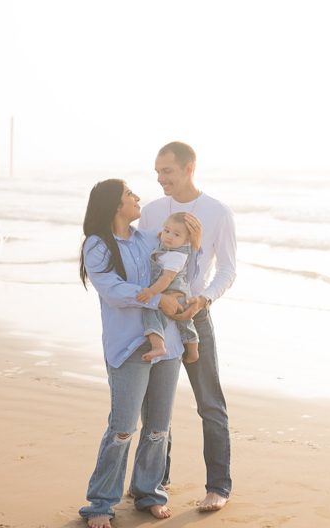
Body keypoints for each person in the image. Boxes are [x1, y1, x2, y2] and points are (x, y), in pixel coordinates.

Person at [78, 179, 201, 528]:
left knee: (159, 428)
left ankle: (149, 492)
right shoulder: (97, 245)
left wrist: (195, 241)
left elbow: (180, 270)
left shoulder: (149, 237)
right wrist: (157, 297)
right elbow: (111, 290)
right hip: (128, 345)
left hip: (169, 342)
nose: (137, 198)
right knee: (122, 429)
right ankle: (100, 503)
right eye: (130, 194)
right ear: (116, 204)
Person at [138, 141, 236, 513]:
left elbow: (227, 268)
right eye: (157, 172)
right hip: (157, 316)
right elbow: (142, 260)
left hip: (195, 315)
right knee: (156, 407)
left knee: (209, 403)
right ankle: (155, 480)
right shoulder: (150, 212)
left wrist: (205, 298)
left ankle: (218, 486)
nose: (161, 178)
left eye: (167, 171)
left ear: (188, 168)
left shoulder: (217, 213)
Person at [134, 213, 199, 363]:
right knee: (185, 322)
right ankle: (193, 350)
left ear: (187, 240)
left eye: (176, 234)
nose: (169, 237)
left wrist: (151, 292)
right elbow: (166, 239)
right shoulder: (173, 246)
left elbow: (166, 278)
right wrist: (163, 236)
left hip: (174, 292)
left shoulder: (176, 256)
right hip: (181, 292)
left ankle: (158, 346)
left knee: (152, 312)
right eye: (167, 231)